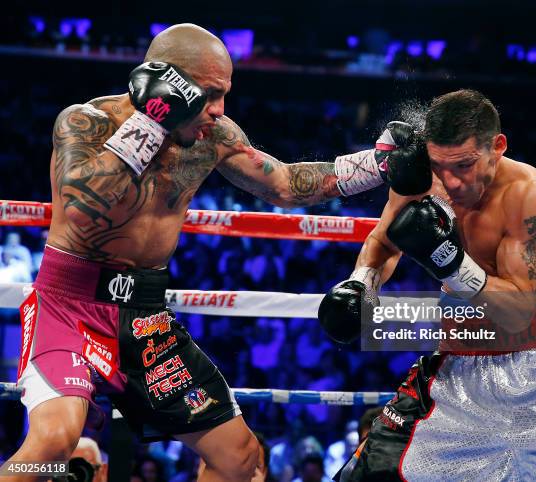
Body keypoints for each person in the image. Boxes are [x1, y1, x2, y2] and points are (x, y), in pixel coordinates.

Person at [6, 23, 414, 482]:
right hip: (69, 307)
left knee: (239, 459)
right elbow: (81, 212)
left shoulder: (211, 135)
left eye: (225, 94)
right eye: (209, 94)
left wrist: (377, 165)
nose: (219, 110)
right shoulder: (86, 122)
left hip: (145, 317)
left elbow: (284, 183)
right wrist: (150, 122)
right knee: (54, 444)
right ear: (168, 84)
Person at [318, 89, 536, 480]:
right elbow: (382, 243)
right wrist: (360, 285)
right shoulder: (422, 180)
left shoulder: (530, 195)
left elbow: (518, 309)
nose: (452, 182)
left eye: (465, 165)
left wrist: (451, 263)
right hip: (456, 365)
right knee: (367, 474)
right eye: (441, 166)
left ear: (498, 146)